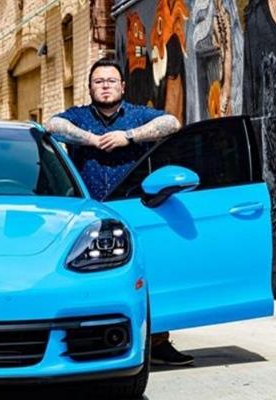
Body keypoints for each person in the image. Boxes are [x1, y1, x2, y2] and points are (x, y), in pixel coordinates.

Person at [43, 58, 194, 366]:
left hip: (136, 210)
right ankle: (89, 342)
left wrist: (129, 136)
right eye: (98, 82)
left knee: (145, 275)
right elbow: (52, 126)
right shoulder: (79, 117)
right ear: (90, 88)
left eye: (111, 81)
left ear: (122, 86)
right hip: (89, 214)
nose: (105, 86)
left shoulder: (138, 115)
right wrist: (91, 139)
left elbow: (172, 123)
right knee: (91, 279)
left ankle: (158, 341)